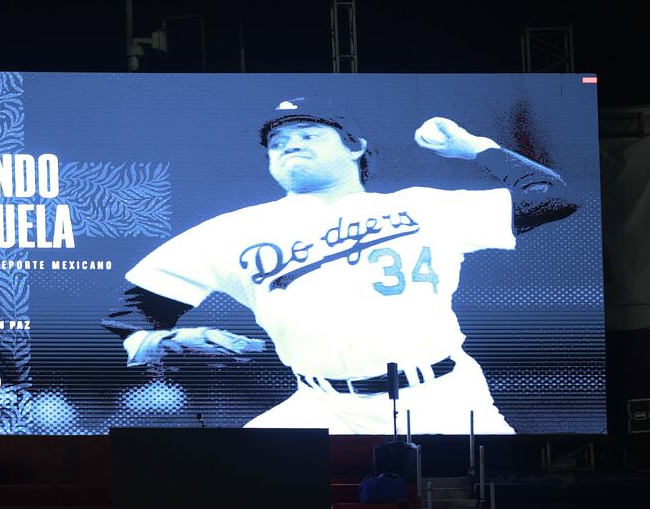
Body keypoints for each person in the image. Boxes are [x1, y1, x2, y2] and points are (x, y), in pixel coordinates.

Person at [103, 96, 578, 434]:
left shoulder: (425, 207)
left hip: (442, 396)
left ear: (355, 147)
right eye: (278, 141)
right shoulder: (230, 231)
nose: (290, 144)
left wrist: (475, 147)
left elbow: (556, 198)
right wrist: (171, 339)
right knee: (229, 485)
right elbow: (132, 313)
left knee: (503, 498)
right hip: (321, 404)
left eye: (309, 134)